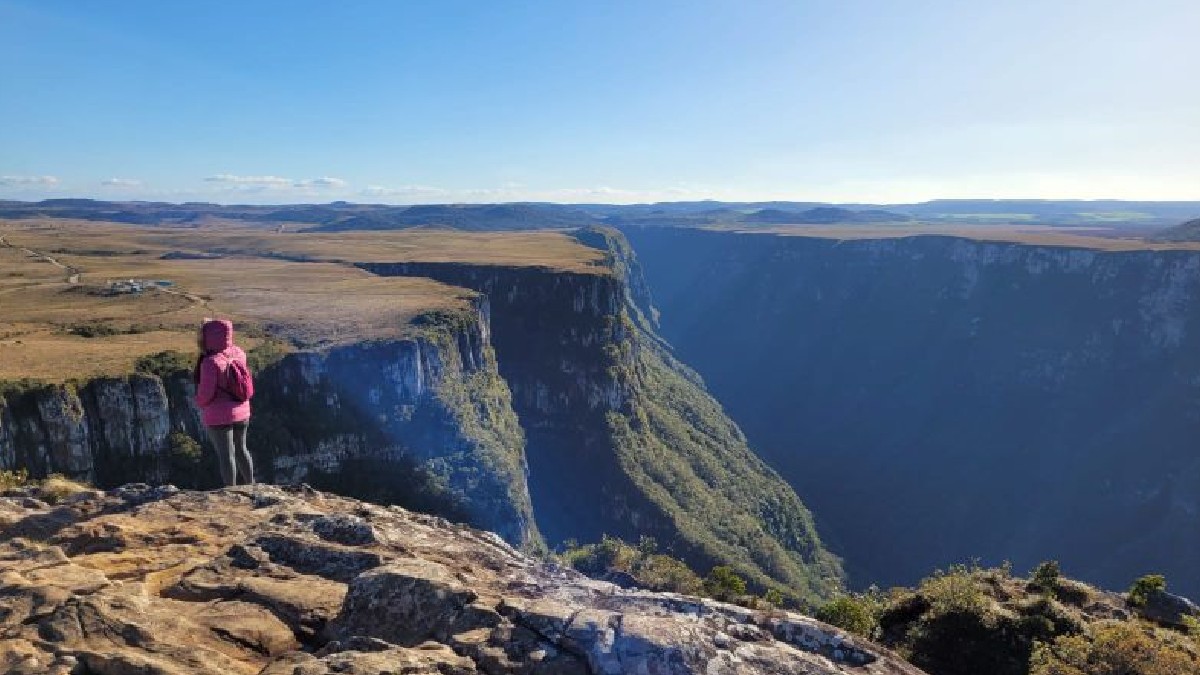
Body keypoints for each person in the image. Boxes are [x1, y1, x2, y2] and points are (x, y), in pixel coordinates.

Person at [193, 317, 255, 486]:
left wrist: (197, 402)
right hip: (242, 412)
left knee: (226, 454)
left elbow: (206, 393)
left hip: (219, 416)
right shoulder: (239, 353)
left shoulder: (210, 362)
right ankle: (251, 485)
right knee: (242, 449)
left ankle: (232, 491)